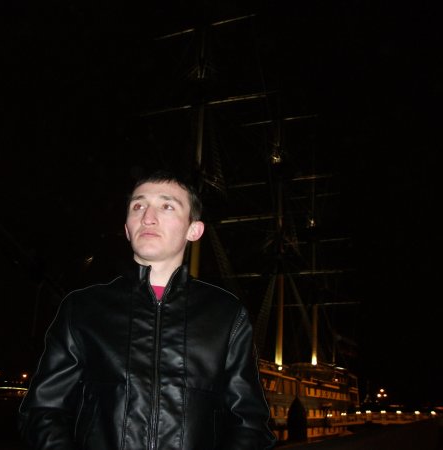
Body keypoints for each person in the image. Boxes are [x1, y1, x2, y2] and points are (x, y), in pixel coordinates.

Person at [18, 170, 276, 450]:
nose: (148, 217)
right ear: (127, 228)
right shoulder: (82, 308)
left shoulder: (226, 314)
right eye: (138, 206)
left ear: (194, 230)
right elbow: (43, 411)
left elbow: (249, 423)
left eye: (167, 206)